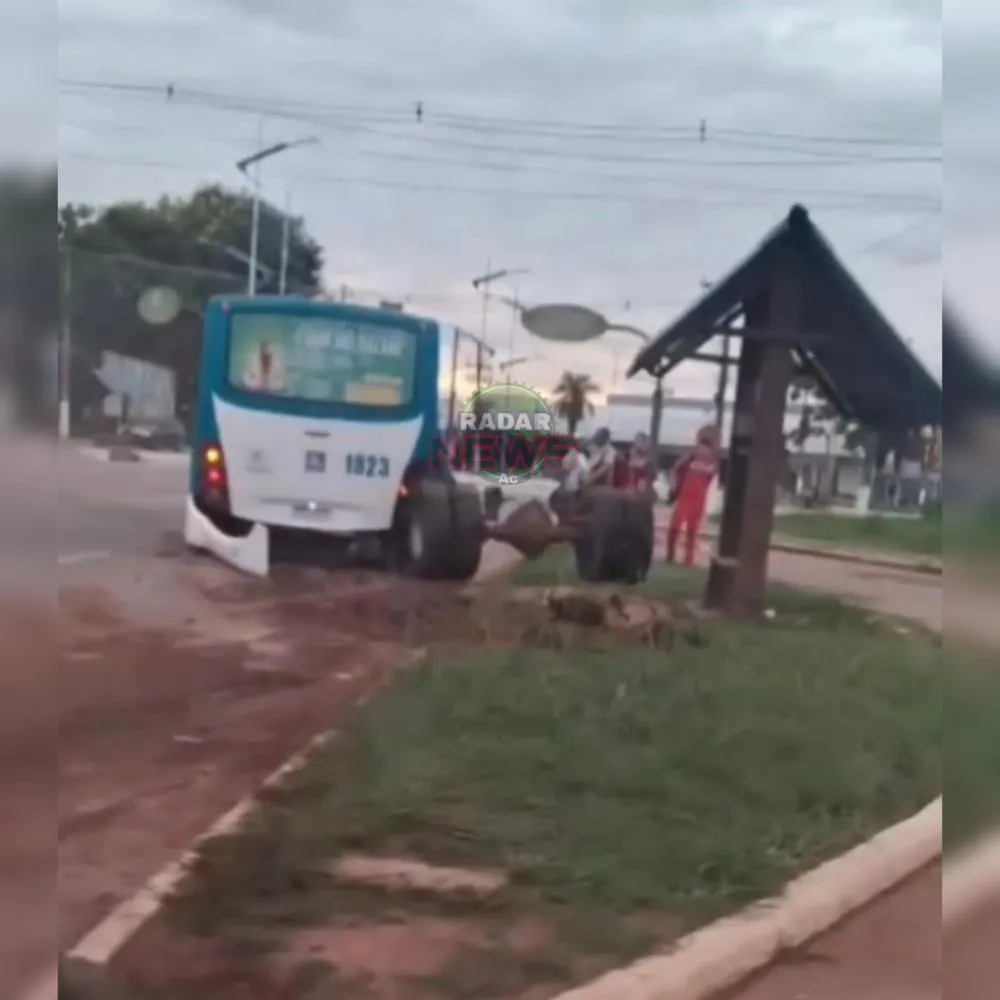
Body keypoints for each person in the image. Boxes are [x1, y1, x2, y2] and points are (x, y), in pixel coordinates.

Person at [666, 423, 719, 566]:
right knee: (674, 528)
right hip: (685, 498)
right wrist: (674, 488)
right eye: (701, 447)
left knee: (692, 532)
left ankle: (688, 560)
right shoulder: (690, 458)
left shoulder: (712, 463)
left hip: (699, 501)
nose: (702, 450)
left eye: (705, 447)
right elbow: (674, 471)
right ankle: (670, 555)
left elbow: (712, 482)